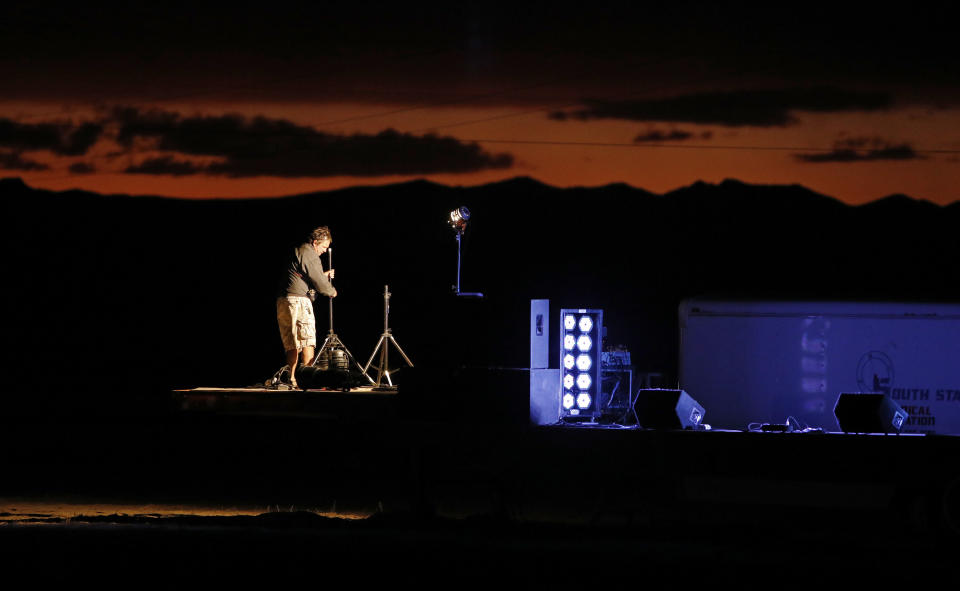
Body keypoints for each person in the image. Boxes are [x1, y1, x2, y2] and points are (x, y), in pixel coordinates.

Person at [276, 226, 337, 388]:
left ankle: (293, 379)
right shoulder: (309, 252)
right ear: (315, 242)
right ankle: (308, 379)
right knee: (307, 339)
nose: (325, 250)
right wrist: (331, 290)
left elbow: (303, 276)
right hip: (298, 301)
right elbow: (317, 280)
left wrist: (323, 275)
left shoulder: (299, 251)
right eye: (324, 247)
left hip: (285, 300)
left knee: (292, 342)